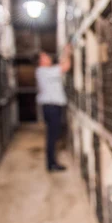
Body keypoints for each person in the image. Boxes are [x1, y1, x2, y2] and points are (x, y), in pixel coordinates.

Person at [36, 44, 72, 172]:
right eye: (45, 57)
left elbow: (60, 65)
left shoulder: (47, 71)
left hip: (51, 107)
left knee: (53, 135)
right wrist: (67, 52)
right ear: (41, 61)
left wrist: (63, 54)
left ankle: (51, 162)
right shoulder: (44, 71)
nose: (49, 58)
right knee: (52, 136)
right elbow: (65, 66)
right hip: (51, 107)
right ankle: (51, 164)